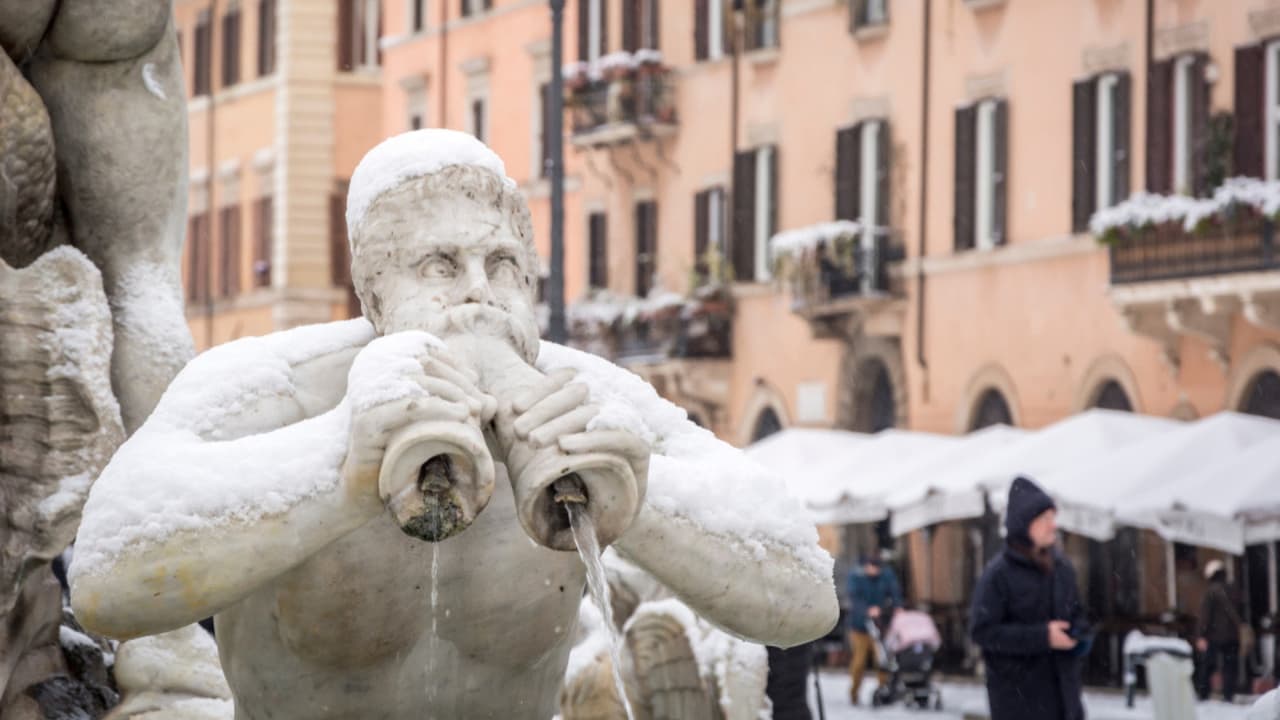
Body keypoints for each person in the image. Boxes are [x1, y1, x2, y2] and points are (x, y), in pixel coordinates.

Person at [69, 130, 838, 719]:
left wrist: (642, 497)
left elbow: (805, 602)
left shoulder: (586, 398)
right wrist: (340, 471)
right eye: (440, 265)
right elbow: (106, 579)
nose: (479, 292)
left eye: (503, 265)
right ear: (373, 294)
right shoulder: (281, 388)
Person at [970, 476, 1089, 720]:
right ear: (1025, 524)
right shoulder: (998, 575)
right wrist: (1042, 637)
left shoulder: (1062, 568)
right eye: (1044, 519)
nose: (1053, 525)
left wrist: (1080, 636)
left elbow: (1079, 615)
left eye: (1053, 518)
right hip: (1020, 703)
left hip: (1065, 702)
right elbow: (982, 631)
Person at [846, 554, 903, 704]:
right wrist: (867, 610)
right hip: (859, 627)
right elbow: (854, 599)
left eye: (877, 568)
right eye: (872, 567)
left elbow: (894, 591)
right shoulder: (856, 577)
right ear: (866, 566)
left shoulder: (886, 576)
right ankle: (854, 694)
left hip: (879, 627)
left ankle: (883, 692)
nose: (874, 571)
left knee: (882, 661)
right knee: (859, 662)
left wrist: (897, 606)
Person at [1196, 558, 1244, 702]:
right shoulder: (1233, 589)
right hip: (1233, 636)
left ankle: (1203, 693)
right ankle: (1229, 694)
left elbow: (1205, 615)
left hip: (1215, 636)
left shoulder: (1211, 591)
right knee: (1230, 667)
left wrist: (1201, 634)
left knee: (1208, 666)